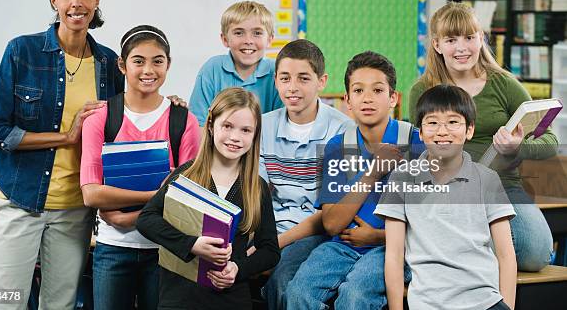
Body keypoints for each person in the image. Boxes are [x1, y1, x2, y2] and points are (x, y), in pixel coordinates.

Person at [0, 0, 124, 309]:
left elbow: (131, 118)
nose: (77, 2)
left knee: (59, 305)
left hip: (74, 209)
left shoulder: (109, 63)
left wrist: (171, 102)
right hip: (20, 200)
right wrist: (65, 136)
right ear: (53, 0)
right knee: (4, 303)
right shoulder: (22, 52)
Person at [408, 1, 556, 271]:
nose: (462, 48)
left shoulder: (505, 85)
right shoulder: (423, 90)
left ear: (481, 39)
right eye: (451, 40)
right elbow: (418, 150)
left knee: (536, 253)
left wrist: (517, 147)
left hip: (504, 188)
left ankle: (477, 251)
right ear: (437, 45)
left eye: (469, 37)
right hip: (447, 189)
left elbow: (550, 141)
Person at [285, 51, 423, 310]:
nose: (367, 98)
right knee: (297, 292)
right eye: (358, 91)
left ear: (393, 98)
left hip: (394, 249)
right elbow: (333, 224)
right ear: (347, 101)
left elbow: (430, 224)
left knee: (355, 296)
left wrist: (379, 236)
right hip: (342, 247)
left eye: (378, 90)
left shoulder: (415, 142)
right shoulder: (338, 147)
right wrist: (373, 173)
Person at [79, 25, 200, 310]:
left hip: (165, 250)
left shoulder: (183, 121)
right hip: (113, 249)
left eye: (158, 61)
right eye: (138, 61)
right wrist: (153, 198)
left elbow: (188, 197)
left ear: (168, 64)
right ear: (122, 65)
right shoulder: (101, 119)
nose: (149, 69)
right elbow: (91, 195)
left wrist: (126, 217)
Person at [137, 87, 280, 309]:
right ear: (211, 126)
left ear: (255, 135)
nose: (235, 137)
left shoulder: (257, 187)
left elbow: (270, 250)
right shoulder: (187, 175)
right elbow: (147, 219)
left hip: (231, 299)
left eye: (245, 130)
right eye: (227, 126)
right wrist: (191, 244)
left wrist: (238, 269)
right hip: (180, 298)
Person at [377, 84, 516, 310]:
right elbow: (393, 255)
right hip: (429, 304)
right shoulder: (402, 178)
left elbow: (506, 254)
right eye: (432, 122)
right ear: (420, 132)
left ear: (469, 130)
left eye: (453, 122)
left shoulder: (487, 179)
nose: (442, 131)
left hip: (486, 302)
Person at [258, 39, 353, 309]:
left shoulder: (343, 130)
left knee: (282, 279)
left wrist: (277, 243)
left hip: (316, 232)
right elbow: (257, 192)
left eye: (303, 78)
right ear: (275, 80)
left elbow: (332, 215)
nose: (293, 88)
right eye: (285, 78)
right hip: (270, 228)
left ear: (321, 81)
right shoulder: (263, 125)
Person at [189, 1, 282, 126]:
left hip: (265, 145)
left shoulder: (278, 72)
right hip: (217, 145)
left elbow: (281, 124)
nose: (248, 41)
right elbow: (198, 123)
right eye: (239, 33)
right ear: (225, 39)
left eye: (257, 33)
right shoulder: (212, 69)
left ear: (270, 39)